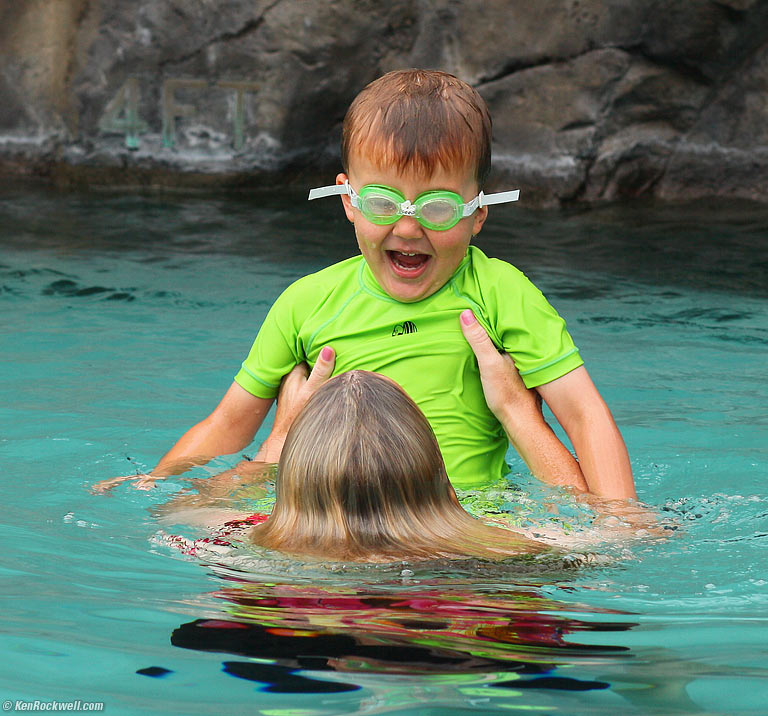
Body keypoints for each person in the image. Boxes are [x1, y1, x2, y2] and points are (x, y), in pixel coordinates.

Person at [95, 69, 635, 501]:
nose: (407, 228)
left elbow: (584, 414)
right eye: (382, 203)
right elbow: (228, 424)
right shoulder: (306, 304)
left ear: (477, 214)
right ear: (348, 200)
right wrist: (153, 483)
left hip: (457, 521)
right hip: (330, 520)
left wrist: (623, 524)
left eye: (439, 207)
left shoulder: (502, 294)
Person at [249, 370, 546, 562]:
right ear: (443, 484)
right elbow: (593, 509)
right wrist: (517, 411)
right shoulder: (523, 552)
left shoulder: (232, 544)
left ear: (289, 489)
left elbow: (205, 500)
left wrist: (280, 433)